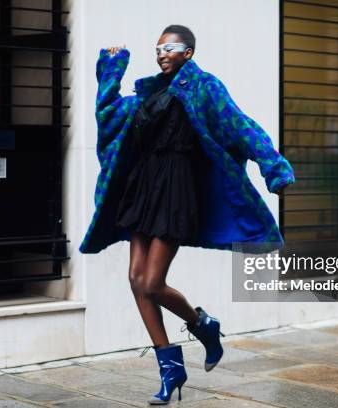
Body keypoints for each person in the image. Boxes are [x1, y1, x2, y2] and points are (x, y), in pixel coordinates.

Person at [80, 25, 295, 405]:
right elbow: (108, 117)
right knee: (135, 277)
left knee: (151, 282)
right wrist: (112, 70)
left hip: (176, 189)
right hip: (142, 186)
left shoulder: (204, 87)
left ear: (188, 53)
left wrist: (273, 166)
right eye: (158, 47)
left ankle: (203, 326)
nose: (162, 52)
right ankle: (170, 366)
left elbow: (239, 125)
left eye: (171, 47)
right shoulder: (147, 93)